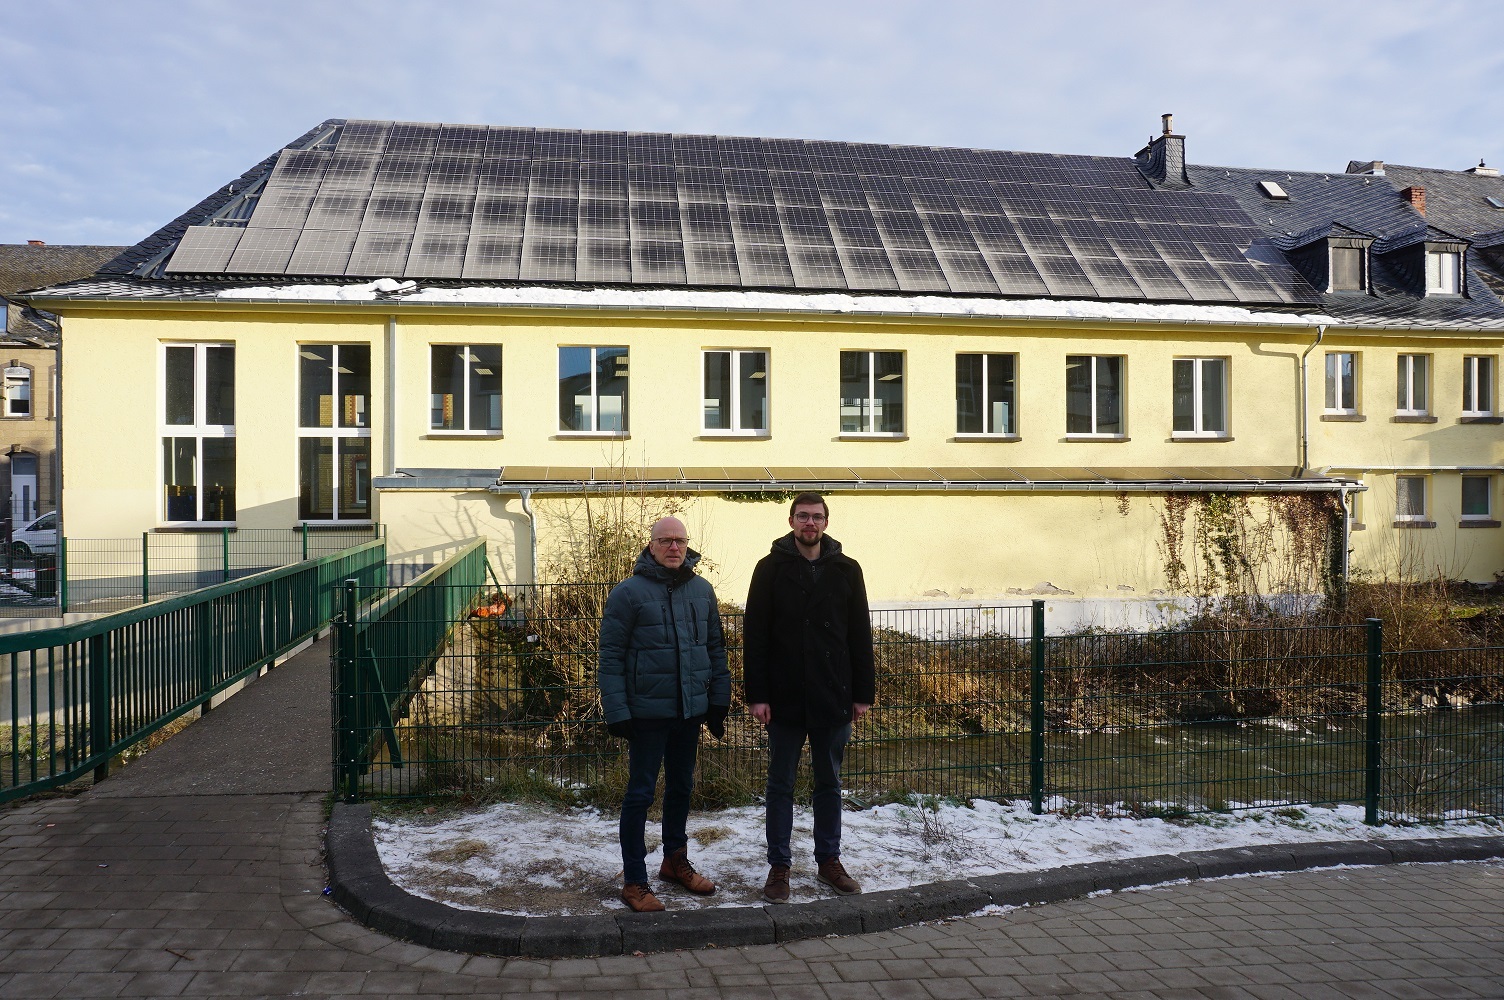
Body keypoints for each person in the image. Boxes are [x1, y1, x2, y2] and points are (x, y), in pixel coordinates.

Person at [743, 492, 875, 904]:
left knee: (829, 783)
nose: (809, 524)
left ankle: (829, 862)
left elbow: (859, 634)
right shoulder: (769, 569)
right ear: (791, 520)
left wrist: (863, 693)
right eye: (803, 516)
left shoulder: (846, 570)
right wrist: (757, 695)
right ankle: (779, 867)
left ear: (826, 523)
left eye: (816, 517)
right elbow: (755, 636)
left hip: (833, 694)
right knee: (780, 783)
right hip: (783, 698)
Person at [598, 516, 731, 913]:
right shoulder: (628, 594)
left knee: (681, 788)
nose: (674, 547)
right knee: (639, 795)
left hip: (689, 710)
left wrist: (718, 702)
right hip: (646, 714)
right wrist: (617, 710)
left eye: (680, 541)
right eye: (666, 541)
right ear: (651, 545)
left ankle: (675, 862)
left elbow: (715, 650)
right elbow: (611, 659)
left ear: (687, 546)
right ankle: (634, 881)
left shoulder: (702, 591)